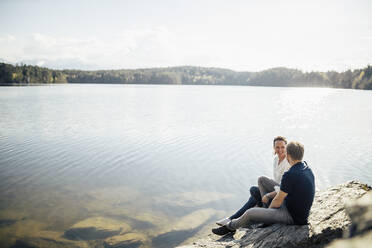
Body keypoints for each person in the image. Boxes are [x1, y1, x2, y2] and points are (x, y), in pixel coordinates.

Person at [212, 141, 315, 235]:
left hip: (292, 216)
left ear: (287, 155)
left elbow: (278, 200)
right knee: (262, 180)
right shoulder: (307, 168)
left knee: (250, 212)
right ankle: (263, 210)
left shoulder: (290, 174)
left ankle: (230, 227)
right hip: (296, 209)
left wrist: (267, 214)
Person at [215, 136, 291, 226]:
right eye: (277, 147)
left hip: (280, 196)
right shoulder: (276, 159)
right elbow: (276, 181)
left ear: (286, 147)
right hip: (275, 190)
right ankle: (233, 218)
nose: (280, 150)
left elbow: (284, 188)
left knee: (259, 184)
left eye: (282, 147)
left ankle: (233, 218)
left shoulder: (288, 162)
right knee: (254, 190)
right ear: (274, 148)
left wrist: (268, 195)